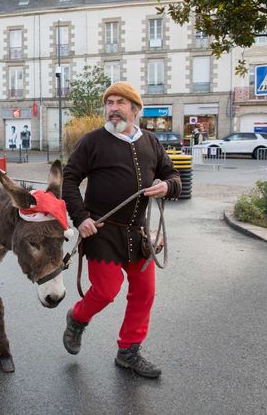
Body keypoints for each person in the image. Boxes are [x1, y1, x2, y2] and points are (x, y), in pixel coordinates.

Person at [61, 81, 182, 378]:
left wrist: (167, 186)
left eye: (120, 103)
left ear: (135, 109)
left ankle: (129, 352)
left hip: (139, 233)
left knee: (145, 292)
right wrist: (81, 218)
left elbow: (173, 176)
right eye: (109, 103)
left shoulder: (152, 142)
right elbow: (70, 179)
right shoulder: (92, 141)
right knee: (105, 291)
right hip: (101, 230)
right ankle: (77, 318)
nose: (113, 108)